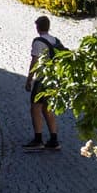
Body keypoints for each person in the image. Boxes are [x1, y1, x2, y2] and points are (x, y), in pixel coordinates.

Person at [24, 16, 66, 150]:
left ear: (37, 27)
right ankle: (54, 140)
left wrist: (29, 79)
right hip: (53, 79)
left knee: (35, 108)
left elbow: (34, 62)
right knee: (47, 108)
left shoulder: (38, 42)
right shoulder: (55, 40)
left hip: (42, 80)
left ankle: (38, 139)